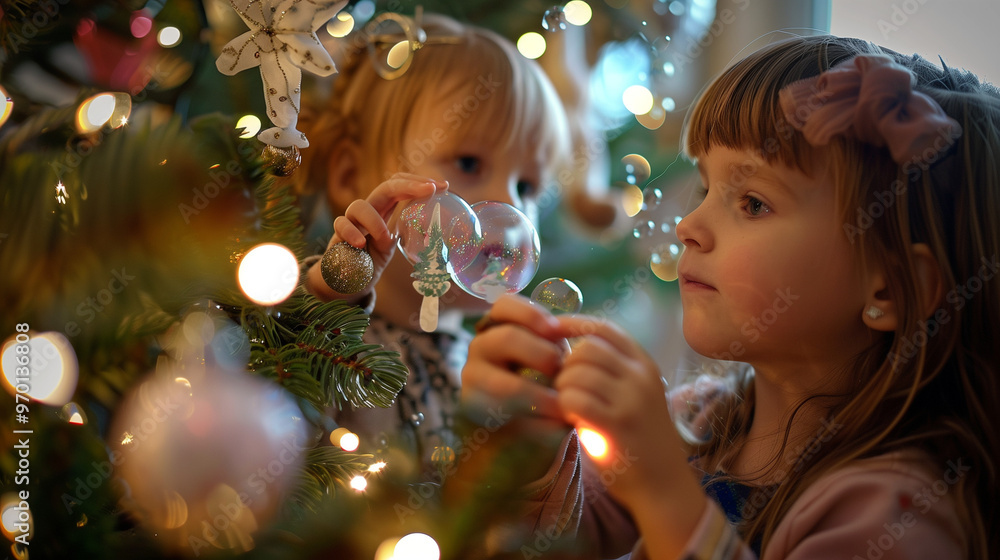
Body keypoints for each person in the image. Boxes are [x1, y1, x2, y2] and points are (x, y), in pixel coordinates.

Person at [459, 34, 999, 559]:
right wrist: (530, 443)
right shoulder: (699, 419)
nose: (689, 225)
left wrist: (664, 495)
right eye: (705, 187)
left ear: (892, 287)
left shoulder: (895, 511)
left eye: (753, 203)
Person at [293, 12, 573, 480]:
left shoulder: (487, 371)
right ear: (348, 174)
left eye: (527, 186)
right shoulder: (337, 344)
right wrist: (334, 289)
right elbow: (274, 365)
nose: (509, 204)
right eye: (468, 161)